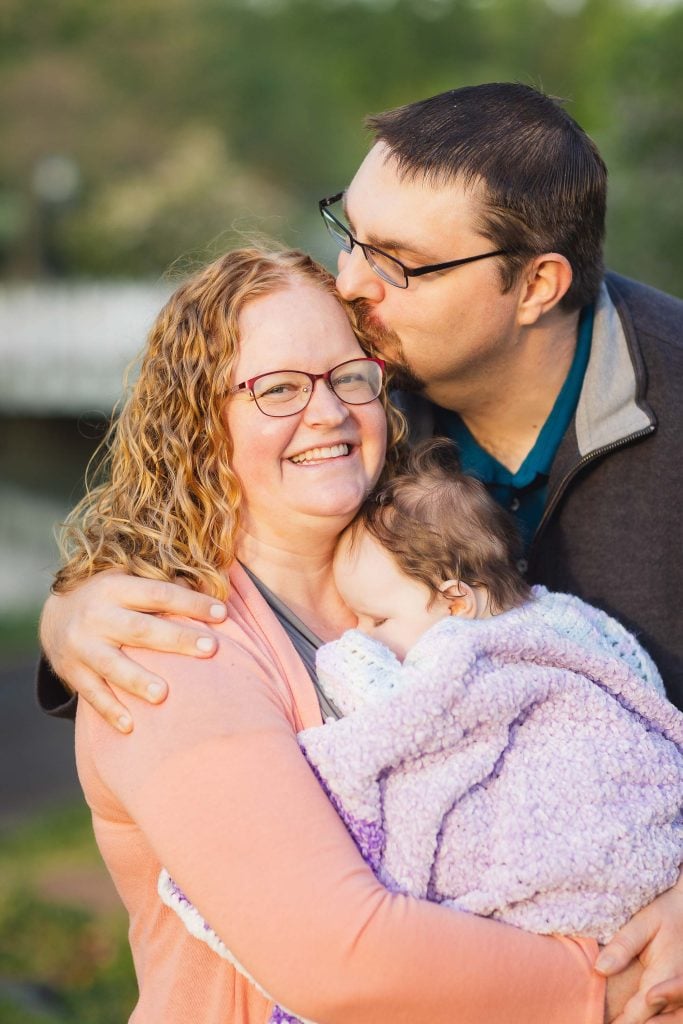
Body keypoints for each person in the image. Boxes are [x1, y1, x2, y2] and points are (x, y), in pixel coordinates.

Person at [38, 84, 683, 1016]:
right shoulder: (381, 376)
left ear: (536, 285)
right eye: (351, 231)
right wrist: (72, 615)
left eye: (401, 262)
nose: (352, 283)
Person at [156, 439, 683, 1024]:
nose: (358, 634)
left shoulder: (453, 654)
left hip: (562, 859)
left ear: (454, 600)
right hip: (646, 862)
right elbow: (633, 679)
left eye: (375, 619)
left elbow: (389, 724)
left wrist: (344, 661)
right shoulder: (570, 618)